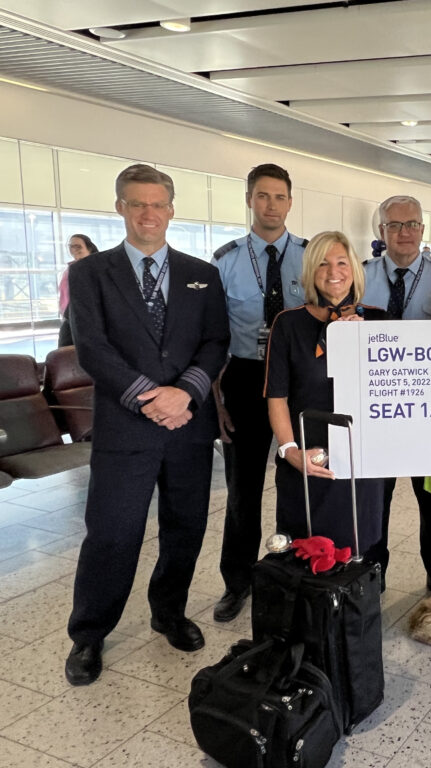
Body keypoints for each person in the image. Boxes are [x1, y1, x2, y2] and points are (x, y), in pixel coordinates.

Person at [64, 164, 230, 686]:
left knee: (186, 527)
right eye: (137, 204)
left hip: (188, 425)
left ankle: (169, 612)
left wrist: (187, 393)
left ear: (172, 210)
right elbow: (91, 347)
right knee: (113, 534)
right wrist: (147, 398)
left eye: (158, 204)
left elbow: (215, 340)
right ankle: (89, 634)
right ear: (120, 209)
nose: (148, 214)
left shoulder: (200, 271)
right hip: (125, 427)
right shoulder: (91, 274)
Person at [209, 163, 308, 623]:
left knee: (299, 484)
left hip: (298, 380)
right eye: (263, 196)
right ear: (250, 199)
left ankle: (295, 573)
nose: (271, 205)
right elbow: (210, 336)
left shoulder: (310, 257)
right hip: (245, 379)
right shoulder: (225, 260)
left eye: (280, 197)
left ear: (290, 202)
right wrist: (217, 397)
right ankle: (238, 582)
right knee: (242, 491)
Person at [361, 195, 431, 592]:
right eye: (395, 225)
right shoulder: (360, 274)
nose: (405, 233)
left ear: (423, 229)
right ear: (381, 231)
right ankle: (373, 573)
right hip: (377, 407)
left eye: (412, 224)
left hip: (427, 412)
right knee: (374, 498)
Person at [265, 231, 386, 551]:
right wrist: (290, 451)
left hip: (360, 457)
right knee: (305, 546)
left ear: (354, 270)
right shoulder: (288, 324)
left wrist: (365, 345)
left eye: (342, 262)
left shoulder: (377, 320)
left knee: (361, 545)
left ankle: (361, 600)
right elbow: (277, 396)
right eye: (323, 263)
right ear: (309, 272)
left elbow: (393, 388)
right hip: (307, 453)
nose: (334, 272)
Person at [57, 234, 99, 347]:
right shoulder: (70, 268)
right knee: (65, 353)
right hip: (69, 316)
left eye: (78, 246)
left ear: (88, 247)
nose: (74, 249)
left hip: (88, 319)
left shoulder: (96, 267)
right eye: (71, 246)